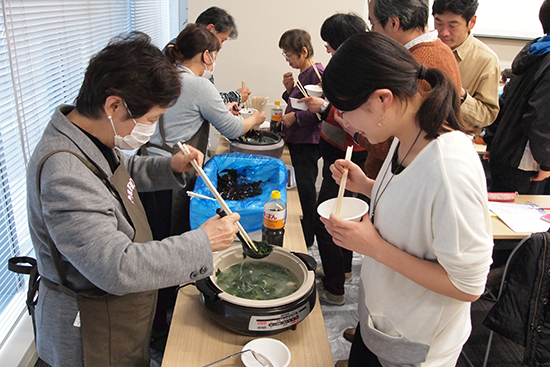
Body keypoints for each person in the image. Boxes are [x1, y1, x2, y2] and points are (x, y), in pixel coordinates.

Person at [26, 32, 240, 367]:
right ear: (114, 105)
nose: (151, 129)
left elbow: (121, 171)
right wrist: (203, 242)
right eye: (152, 119)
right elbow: (117, 267)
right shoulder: (63, 173)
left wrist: (169, 165)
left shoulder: (90, 133)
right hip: (91, 327)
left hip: (120, 310)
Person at [320, 32, 493, 366]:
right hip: (382, 321)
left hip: (414, 342)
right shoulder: (406, 136)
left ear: (383, 99)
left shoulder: (449, 169)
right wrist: (367, 185)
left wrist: (374, 248)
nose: (346, 123)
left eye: (346, 110)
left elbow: (468, 286)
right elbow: (412, 204)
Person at [141, 24, 265, 346]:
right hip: (174, 174)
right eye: (218, 50)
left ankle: (155, 321)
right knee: (171, 251)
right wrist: (258, 118)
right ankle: (163, 325)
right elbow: (234, 128)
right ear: (208, 55)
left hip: (147, 170)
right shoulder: (198, 84)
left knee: (154, 245)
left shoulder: (165, 75)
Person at [299, 13, 368, 306]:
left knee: (326, 220)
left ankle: (335, 288)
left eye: (330, 44)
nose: (327, 50)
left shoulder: (361, 71)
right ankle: (344, 270)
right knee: (346, 211)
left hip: (348, 152)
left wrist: (325, 107)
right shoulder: (348, 67)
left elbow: (357, 122)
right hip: (335, 148)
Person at [356, 0, 462, 180]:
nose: (372, 31)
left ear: (393, 22)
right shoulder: (435, 51)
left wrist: (355, 131)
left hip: (402, 181)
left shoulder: (419, 64)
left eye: (372, 23)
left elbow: (396, 144)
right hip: (392, 182)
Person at [483, 0, 550, 195]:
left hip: (503, 153)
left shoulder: (535, 50)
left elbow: (504, 99)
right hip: (526, 162)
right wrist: (546, 162)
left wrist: (492, 140)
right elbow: (540, 118)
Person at [278, 29, 324, 248]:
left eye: (289, 55)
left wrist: (295, 117)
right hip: (298, 139)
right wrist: (289, 91)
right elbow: (301, 102)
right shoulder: (304, 74)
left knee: (306, 191)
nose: (288, 60)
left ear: (303, 51)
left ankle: (306, 239)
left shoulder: (318, 72)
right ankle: (305, 234)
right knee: (301, 189)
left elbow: (318, 112)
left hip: (308, 141)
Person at [433, 0, 500, 131]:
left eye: (453, 25)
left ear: (472, 22)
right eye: (438, 23)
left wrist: (461, 96)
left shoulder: (486, 60)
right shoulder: (424, 46)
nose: (444, 32)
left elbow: (487, 114)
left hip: (454, 140)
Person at [166, 7, 250, 106]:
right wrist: (235, 97)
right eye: (222, 40)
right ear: (210, 29)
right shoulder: (184, 51)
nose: (221, 46)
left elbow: (209, 96)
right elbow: (209, 101)